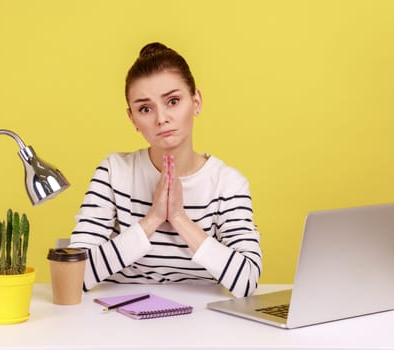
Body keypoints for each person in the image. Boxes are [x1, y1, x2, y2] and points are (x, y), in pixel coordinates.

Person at [69, 42, 262, 298]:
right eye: (145, 109)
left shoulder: (227, 184)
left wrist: (180, 219)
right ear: (133, 119)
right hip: (118, 317)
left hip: (202, 321)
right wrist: (152, 220)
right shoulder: (114, 172)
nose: (161, 118)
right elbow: (74, 275)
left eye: (172, 101)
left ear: (196, 102)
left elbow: (247, 280)